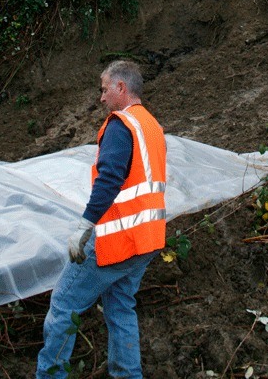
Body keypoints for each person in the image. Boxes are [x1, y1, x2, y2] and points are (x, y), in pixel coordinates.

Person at [36, 60, 167, 379]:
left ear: (121, 87)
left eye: (104, 88)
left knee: (64, 306)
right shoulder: (151, 125)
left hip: (117, 240)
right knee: (121, 306)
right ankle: (128, 374)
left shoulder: (120, 125)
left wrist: (84, 226)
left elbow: (110, 179)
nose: (101, 97)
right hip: (147, 239)